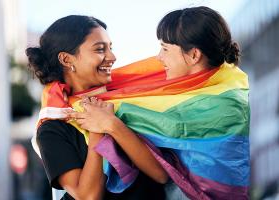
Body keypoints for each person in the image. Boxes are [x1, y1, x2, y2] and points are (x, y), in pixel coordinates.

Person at [68, 7, 250, 200]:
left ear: (194, 55)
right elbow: (161, 170)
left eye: (165, 49)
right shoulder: (180, 94)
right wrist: (111, 123)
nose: (158, 57)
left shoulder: (223, 104)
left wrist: (110, 123)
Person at [26, 15, 167, 200]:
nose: (112, 57)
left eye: (110, 48)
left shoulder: (125, 103)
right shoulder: (52, 128)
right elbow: (88, 196)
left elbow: (160, 174)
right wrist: (96, 132)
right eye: (100, 49)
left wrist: (111, 124)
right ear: (67, 60)